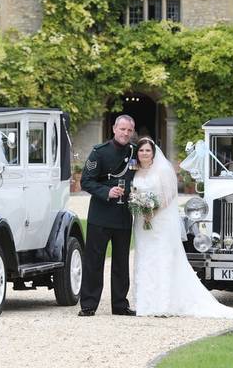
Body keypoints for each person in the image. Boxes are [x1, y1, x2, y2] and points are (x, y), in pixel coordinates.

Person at [131, 137, 233, 319]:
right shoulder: (136, 171)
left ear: (153, 153)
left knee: (161, 258)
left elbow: (170, 195)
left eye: (147, 151)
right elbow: (134, 193)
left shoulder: (162, 170)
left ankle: (163, 302)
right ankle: (146, 302)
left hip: (159, 221)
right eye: (141, 150)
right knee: (145, 257)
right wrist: (139, 207)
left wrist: (153, 210)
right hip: (142, 224)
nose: (144, 154)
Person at [78, 114, 137, 316]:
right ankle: (88, 305)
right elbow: (85, 181)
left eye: (129, 130)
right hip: (100, 216)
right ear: (114, 129)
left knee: (121, 263)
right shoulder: (99, 153)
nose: (125, 133)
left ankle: (120, 305)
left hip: (123, 215)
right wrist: (107, 192)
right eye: (122, 129)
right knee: (94, 261)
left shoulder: (135, 152)